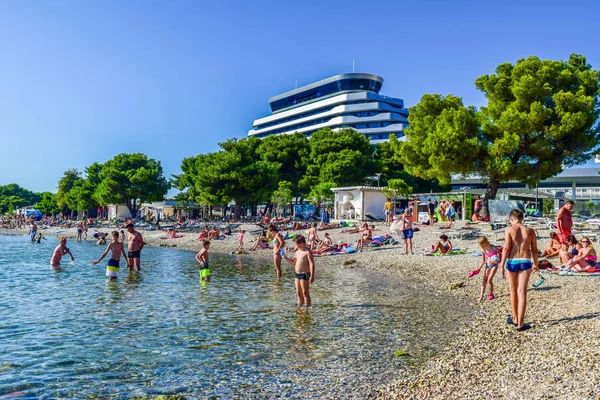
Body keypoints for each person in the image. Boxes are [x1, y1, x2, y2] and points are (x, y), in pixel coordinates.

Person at [500, 208, 538, 332]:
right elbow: (535, 249)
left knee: (513, 291)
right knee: (522, 292)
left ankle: (515, 318)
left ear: (512, 218)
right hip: (526, 261)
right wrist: (536, 264)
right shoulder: (530, 231)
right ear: (522, 218)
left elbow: (506, 248)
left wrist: (501, 265)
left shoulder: (509, 229)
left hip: (512, 261)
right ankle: (520, 323)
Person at [283, 235, 315, 306]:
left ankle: (307, 308)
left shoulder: (307, 252)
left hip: (305, 274)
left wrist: (312, 276)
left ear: (302, 243)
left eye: (296, 244)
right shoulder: (297, 252)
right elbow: (293, 263)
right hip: (297, 274)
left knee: (305, 293)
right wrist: (285, 257)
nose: (295, 245)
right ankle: (299, 307)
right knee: (298, 293)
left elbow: (312, 264)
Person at [471, 237, 500, 302]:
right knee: (484, 280)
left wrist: (498, 260)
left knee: (489, 280)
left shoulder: (493, 248)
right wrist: (479, 268)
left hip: (494, 266)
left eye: (482, 245)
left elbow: (500, 254)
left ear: (486, 242)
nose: (481, 246)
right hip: (487, 266)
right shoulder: (483, 250)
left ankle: (491, 294)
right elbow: (483, 260)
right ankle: (481, 296)